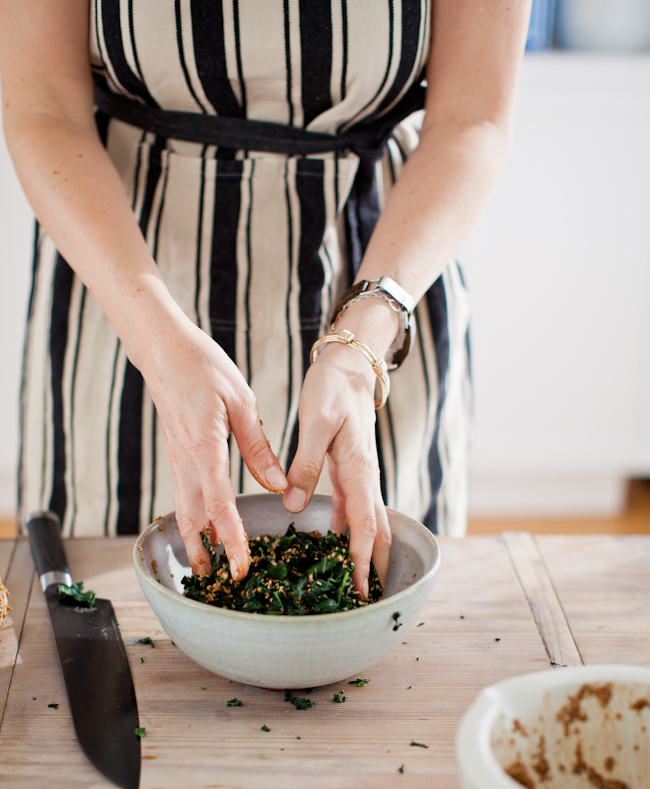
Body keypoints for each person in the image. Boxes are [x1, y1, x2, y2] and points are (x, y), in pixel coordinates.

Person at [0, 0, 531, 597]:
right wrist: (154, 339)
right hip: (126, 284)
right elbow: (43, 108)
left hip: (379, 278)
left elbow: (474, 118)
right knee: (99, 599)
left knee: (378, 586)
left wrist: (361, 350)